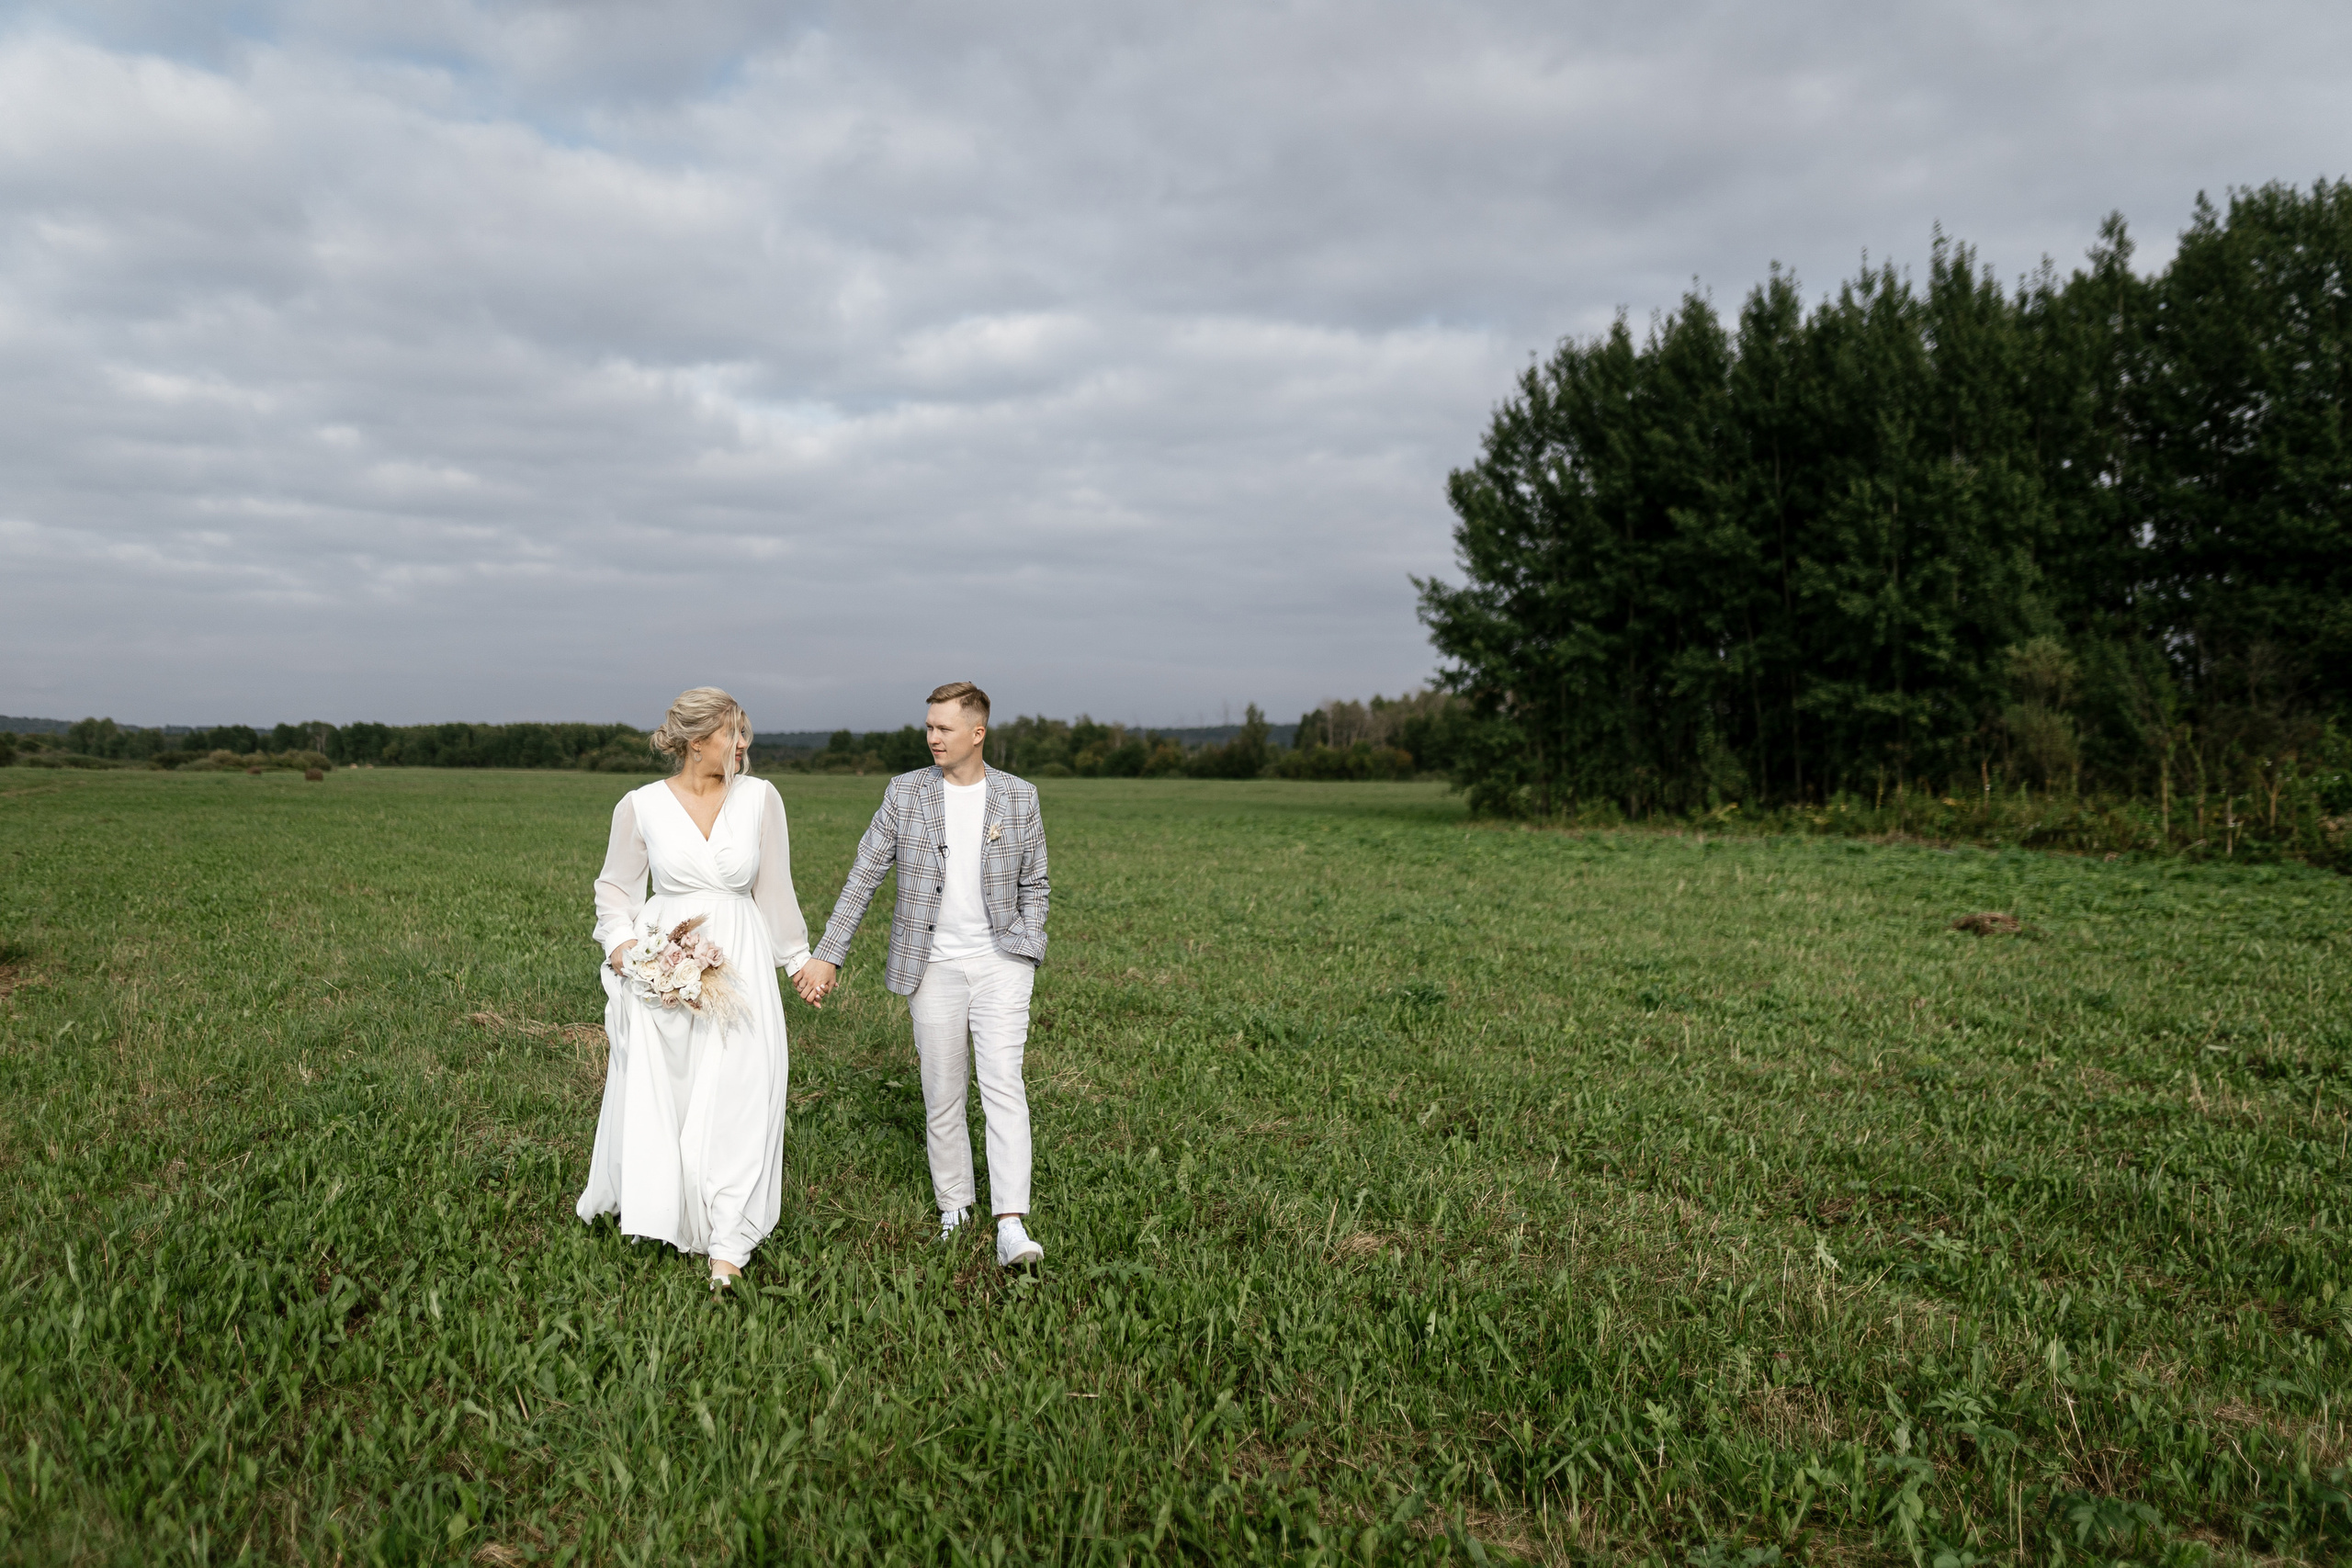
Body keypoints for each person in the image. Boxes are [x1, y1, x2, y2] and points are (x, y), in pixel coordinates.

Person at [795, 681, 1050, 1267]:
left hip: (1002, 963)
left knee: (1003, 1084)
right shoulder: (905, 793)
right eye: (929, 726)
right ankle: (954, 1208)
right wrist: (828, 953)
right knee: (942, 1091)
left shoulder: (1019, 796)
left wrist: (1027, 943)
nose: (932, 737)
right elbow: (865, 874)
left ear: (977, 733)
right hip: (930, 965)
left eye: (944, 728)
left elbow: (1035, 880)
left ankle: (1011, 1224)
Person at [577, 687, 813, 1292]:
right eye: (732, 733)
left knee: (742, 1090)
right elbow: (615, 890)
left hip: (741, 962)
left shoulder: (760, 798)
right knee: (671, 1094)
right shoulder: (641, 806)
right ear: (695, 741)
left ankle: (729, 1242)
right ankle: (668, 1211)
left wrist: (797, 960)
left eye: (743, 732)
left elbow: (775, 889)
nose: (743, 744)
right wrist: (626, 948)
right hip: (664, 964)